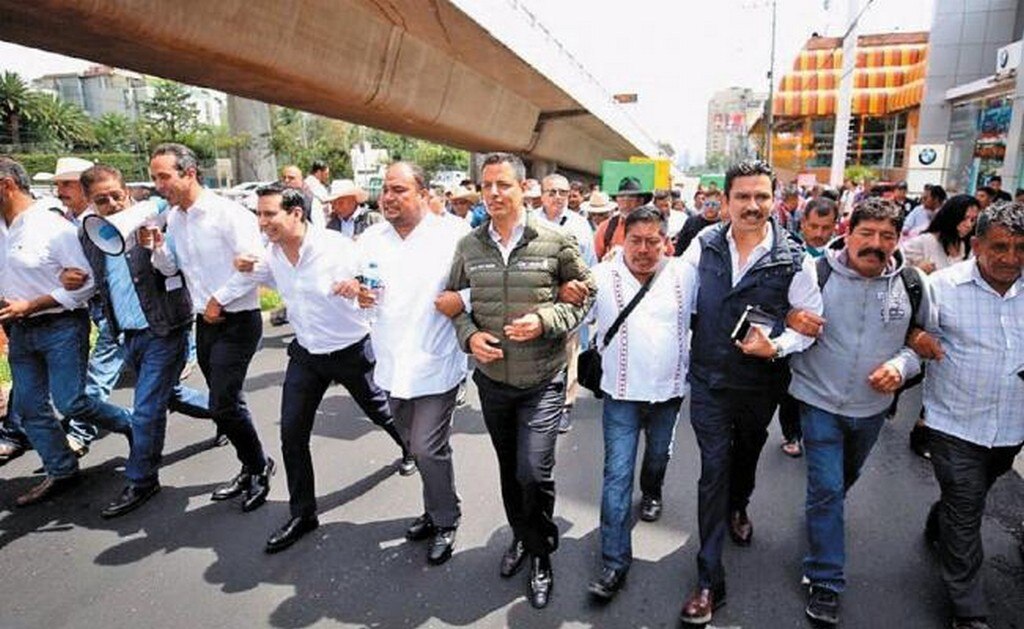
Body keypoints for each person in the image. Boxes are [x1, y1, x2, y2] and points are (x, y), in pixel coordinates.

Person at [447, 152, 595, 609]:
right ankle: (521, 536)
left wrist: (547, 319)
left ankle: (541, 553)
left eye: (502, 185)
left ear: (523, 189)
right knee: (511, 470)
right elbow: (455, 303)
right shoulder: (469, 246)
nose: (492, 193)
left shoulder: (556, 239)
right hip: (493, 381)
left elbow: (584, 293)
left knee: (534, 471)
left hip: (543, 379)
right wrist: (470, 338)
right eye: (486, 186)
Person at [678, 160, 823, 626]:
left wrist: (776, 343)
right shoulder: (703, 246)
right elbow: (674, 297)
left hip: (761, 386)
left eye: (761, 197)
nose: (752, 206)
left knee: (744, 458)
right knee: (713, 471)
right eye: (743, 197)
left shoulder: (795, 258)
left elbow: (811, 325)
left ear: (774, 201)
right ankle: (708, 580)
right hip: (708, 384)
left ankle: (740, 504)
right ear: (726, 201)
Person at [232, 184, 412, 552]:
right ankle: (303, 513)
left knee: (380, 411)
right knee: (292, 434)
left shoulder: (339, 248)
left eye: (269, 214)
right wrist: (238, 273)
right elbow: (258, 273)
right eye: (259, 215)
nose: (262, 222)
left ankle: (413, 449)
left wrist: (359, 286)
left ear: (296, 214)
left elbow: (377, 287)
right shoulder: (273, 253)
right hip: (307, 354)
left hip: (351, 350)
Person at [789, 197, 930, 626]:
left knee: (841, 480)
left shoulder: (913, 283)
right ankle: (826, 579)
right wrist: (793, 317)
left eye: (886, 236)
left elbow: (922, 342)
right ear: (848, 234)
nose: (875, 244)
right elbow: (785, 318)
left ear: (897, 240)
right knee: (828, 486)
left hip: (872, 409)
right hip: (817, 399)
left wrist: (901, 366)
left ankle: (822, 512)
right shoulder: (816, 273)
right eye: (866, 234)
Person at [59, 164, 214, 517]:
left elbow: (175, 266)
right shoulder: (89, 234)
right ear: (89, 202)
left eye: (117, 194)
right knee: (168, 395)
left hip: (165, 329)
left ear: (127, 190)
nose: (113, 203)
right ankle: (223, 412)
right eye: (102, 199)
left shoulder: (156, 218)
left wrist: (156, 239)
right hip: (126, 333)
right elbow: (96, 284)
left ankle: (141, 480)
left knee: (145, 409)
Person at [148, 143, 274, 512]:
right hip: (205, 321)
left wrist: (220, 299)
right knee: (227, 402)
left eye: (164, 176)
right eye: (155, 177)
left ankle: (259, 467)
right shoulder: (176, 218)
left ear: (189, 173)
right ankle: (249, 465)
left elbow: (253, 265)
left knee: (222, 403)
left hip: (238, 319)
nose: (158, 185)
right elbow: (171, 269)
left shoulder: (228, 213)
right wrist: (156, 247)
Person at [0, 157, 133, 506]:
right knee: (30, 407)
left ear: (6, 185)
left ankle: (134, 425)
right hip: (20, 331)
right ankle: (60, 470)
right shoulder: (3, 228)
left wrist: (33, 304)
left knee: (71, 400)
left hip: (60, 325)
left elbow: (85, 285)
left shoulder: (51, 226)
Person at [358, 162, 468, 566]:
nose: (388, 197)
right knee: (415, 446)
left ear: (424, 194)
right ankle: (435, 505)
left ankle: (446, 519)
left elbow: (481, 286)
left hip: (436, 361)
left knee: (426, 446)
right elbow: (359, 283)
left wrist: (463, 302)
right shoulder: (370, 238)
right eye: (385, 189)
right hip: (390, 361)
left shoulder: (454, 235)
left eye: (399, 190)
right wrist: (357, 293)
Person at [921, 203, 1024, 629]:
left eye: (1021, 248)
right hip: (953, 423)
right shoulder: (941, 288)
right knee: (966, 506)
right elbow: (913, 336)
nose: (1011, 258)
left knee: (969, 494)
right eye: (1000, 246)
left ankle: (937, 519)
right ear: (976, 245)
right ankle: (969, 610)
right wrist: (915, 342)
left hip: (1011, 428)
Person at [586, 207, 696, 601]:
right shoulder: (599, 277)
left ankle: (652, 491)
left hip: (669, 392)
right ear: (623, 241)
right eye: (636, 240)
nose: (644, 250)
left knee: (657, 458)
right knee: (616, 474)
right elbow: (573, 315)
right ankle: (614, 561)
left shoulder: (685, 273)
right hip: (620, 394)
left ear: (666, 242)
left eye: (653, 241)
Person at [900, 194, 980, 457]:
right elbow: (895, 263)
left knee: (940, 374)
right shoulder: (926, 242)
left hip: (955, 324)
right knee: (918, 373)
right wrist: (920, 270)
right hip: (924, 319)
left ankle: (922, 432)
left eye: (973, 219)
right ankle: (893, 395)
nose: (969, 224)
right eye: (966, 218)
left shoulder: (968, 248)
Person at [777, 197, 840, 458]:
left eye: (826, 228)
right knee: (791, 389)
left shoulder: (841, 259)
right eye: (813, 226)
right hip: (793, 337)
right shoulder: (787, 253)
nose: (819, 233)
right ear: (803, 223)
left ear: (835, 227)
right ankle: (792, 434)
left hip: (828, 338)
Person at [533, 173, 596, 434]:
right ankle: (537, 401)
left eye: (563, 192)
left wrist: (587, 308)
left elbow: (590, 266)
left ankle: (566, 406)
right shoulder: (528, 222)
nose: (558, 197)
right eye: (552, 192)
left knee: (570, 355)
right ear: (542, 195)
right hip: (536, 301)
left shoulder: (581, 225)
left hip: (570, 302)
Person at [673, 189, 723, 256]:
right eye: (707, 204)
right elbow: (680, 245)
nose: (710, 207)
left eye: (714, 204)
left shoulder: (722, 225)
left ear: (720, 206)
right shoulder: (691, 221)